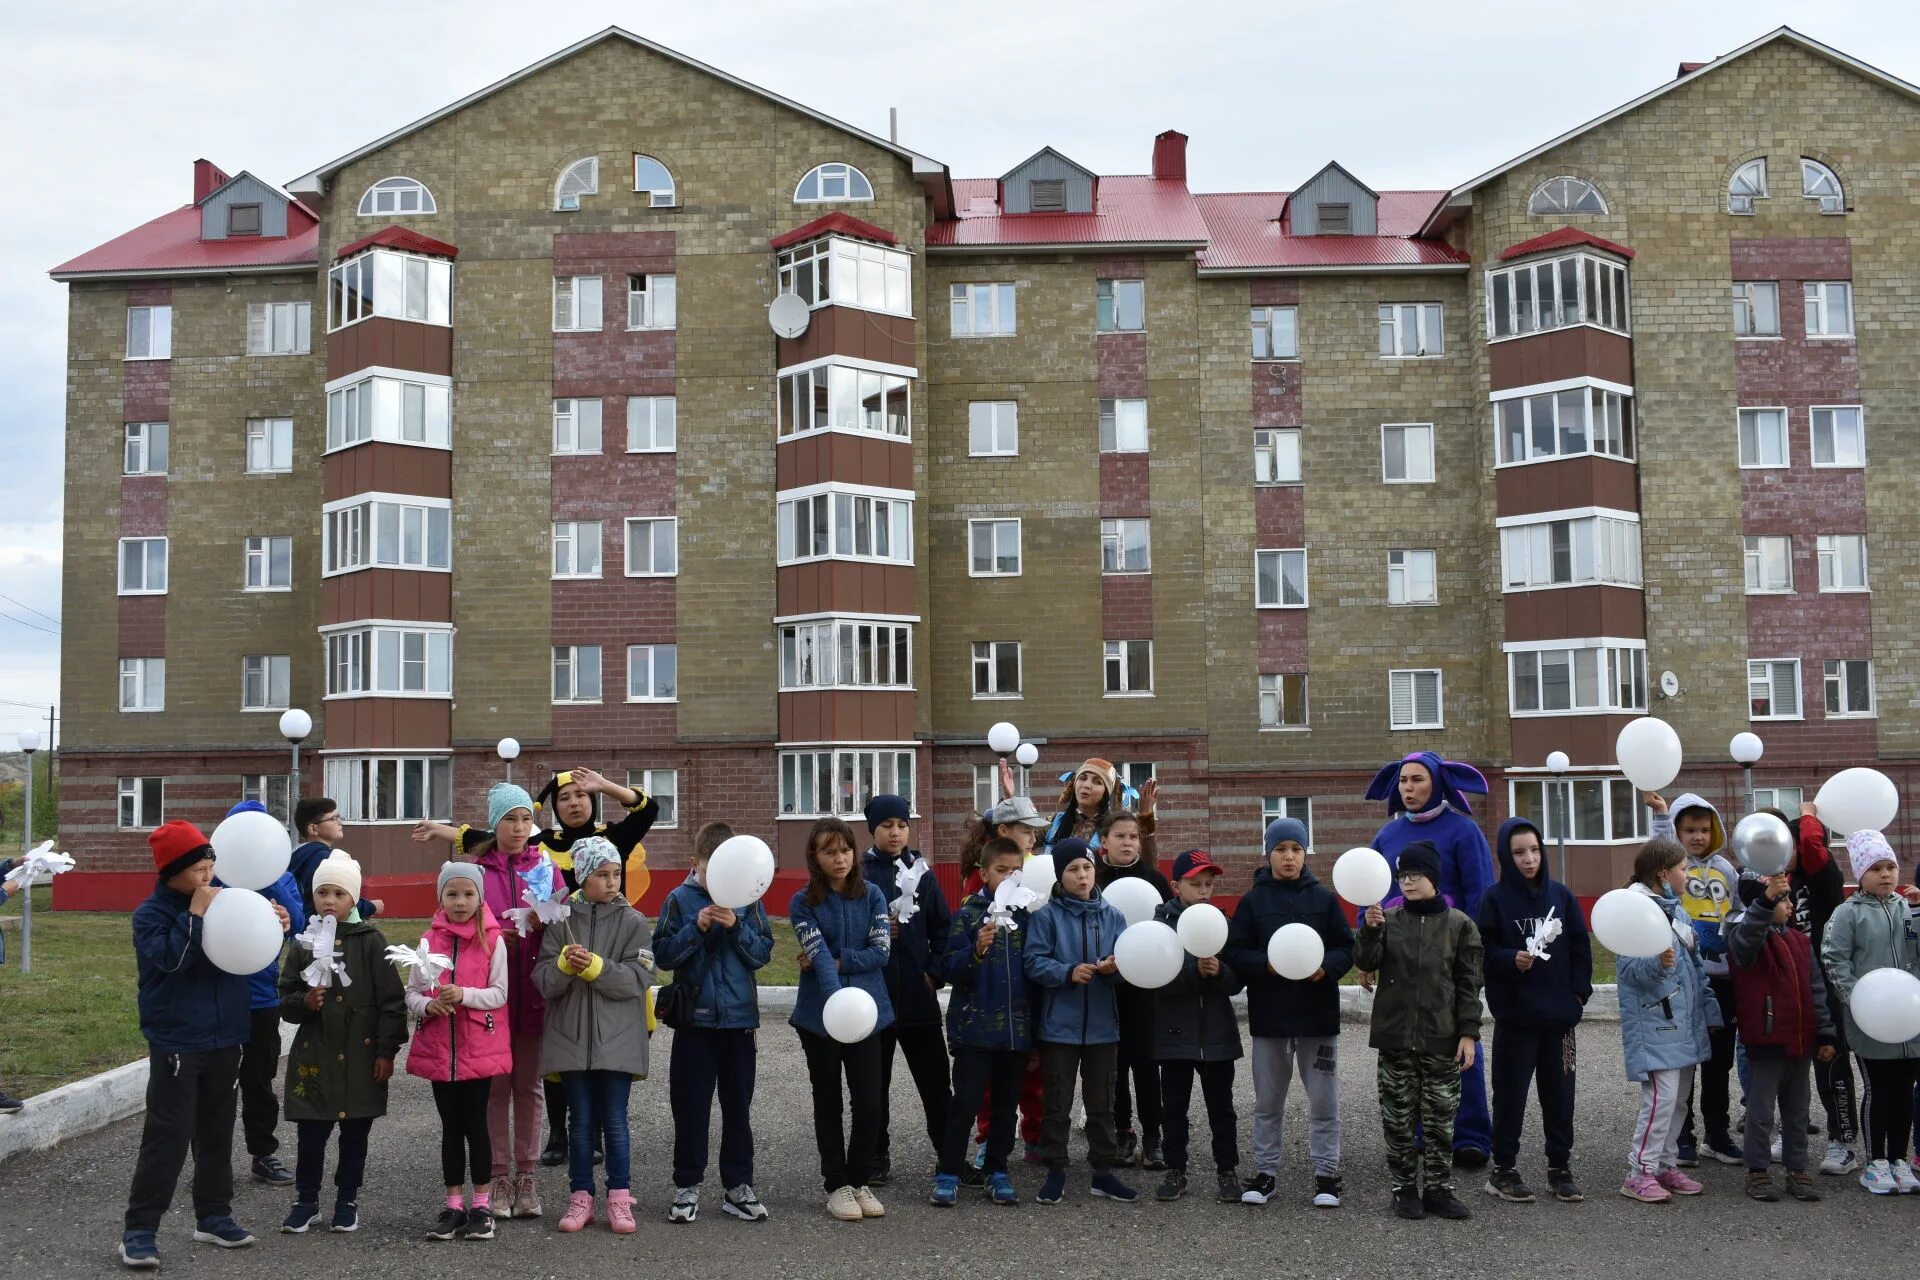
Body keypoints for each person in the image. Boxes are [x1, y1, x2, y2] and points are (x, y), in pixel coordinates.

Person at [420, 765, 659, 1166]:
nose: (574, 802)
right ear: (552, 809)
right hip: (534, 976)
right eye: (564, 797)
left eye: (581, 795)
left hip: (585, 964)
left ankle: (590, 1137)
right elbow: (490, 839)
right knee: (543, 1073)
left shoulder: (607, 838)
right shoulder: (543, 846)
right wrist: (444, 831)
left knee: (580, 1062)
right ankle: (553, 1140)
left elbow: (646, 812)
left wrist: (604, 784)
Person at [118, 821, 288, 1269]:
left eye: (210, 866)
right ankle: (139, 1230)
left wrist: (277, 925)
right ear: (173, 871)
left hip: (225, 1034)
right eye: (197, 869)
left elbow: (248, 948)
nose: (208, 877)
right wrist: (195, 914)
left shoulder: (227, 902)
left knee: (216, 1130)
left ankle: (213, 1215)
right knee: (168, 1135)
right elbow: (172, 960)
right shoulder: (151, 915)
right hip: (177, 1037)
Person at [1364, 753, 1495, 1165]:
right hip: (1401, 961)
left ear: (1436, 783)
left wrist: (1472, 955)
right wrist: (1367, 951)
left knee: (1459, 1046)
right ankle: (1418, 1134)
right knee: (1408, 1050)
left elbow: (1481, 895)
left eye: (1417, 780)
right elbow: (1368, 894)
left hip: (1448, 958)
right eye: (1402, 781)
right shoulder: (1387, 836)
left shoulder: (1464, 831)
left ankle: (1470, 1136)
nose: (1407, 788)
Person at [1224, 816, 1353, 1209]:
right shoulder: (1253, 901)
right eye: (1281, 849)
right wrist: (1265, 964)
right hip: (1271, 1019)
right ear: (1269, 854)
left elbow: (1346, 948)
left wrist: (1325, 968)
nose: (1289, 856)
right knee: (1267, 1103)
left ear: (1304, 853)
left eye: (1296, 849)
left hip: (1318, 1018)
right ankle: (1266, 1174)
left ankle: (1327, 1175)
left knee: (1324, 1102)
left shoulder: (1324, 899)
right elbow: (1235, 951)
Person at [276, 851, 408, 1235]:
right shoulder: (304, 943)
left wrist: (386, 1050)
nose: (329, 900)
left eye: (338, 893)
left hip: (359, 1056)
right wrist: (305, 1002)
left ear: (353, 898)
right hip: (315, 1056)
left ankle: (347, 1198)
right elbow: (285, 997)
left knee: (354, 1135)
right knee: (311, 1133)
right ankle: (306, 1199)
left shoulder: (370, 941)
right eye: (322, 893)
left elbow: (391, 1002)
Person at [652, 820, 775, 1224]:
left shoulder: (749, 899)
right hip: (695, 1024)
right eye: (711, 869)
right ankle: (687, 1186)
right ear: (696, 863)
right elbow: (664, 956)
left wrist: (737, 927)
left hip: (739, 1022)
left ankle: (738, 1187)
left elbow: (763, 956)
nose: (720, 879)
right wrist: (697, 926)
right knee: (690, 1109)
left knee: (738, 1109)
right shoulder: (678, 898)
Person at [1355, 841, 1483, 1221]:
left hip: (1442, 1039)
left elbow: (1469, 983)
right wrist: (1370, 931)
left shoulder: (1460, 925)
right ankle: (1404, 1189)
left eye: (1415, 875)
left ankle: (1439, 1190)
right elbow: (1364, 962)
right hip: (1395, 1038)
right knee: (1397, 1118)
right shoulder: (1388, 921)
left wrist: (1468, 1033)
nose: (1407, 883)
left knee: (1441, 1118)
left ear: (1433, 877)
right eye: (1402, 876)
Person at [534, 837, 655, 1233]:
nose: (611, 881)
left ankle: (620, 1198)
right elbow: (544, 981)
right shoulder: (561, 920)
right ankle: (580, 1197)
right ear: (583, 877)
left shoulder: (634, 922)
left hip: (617, 1043)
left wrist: (595, 967)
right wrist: (566, 968)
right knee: (580, 1122)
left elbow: (638, 979)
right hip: (571, 1042)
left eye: (616, 873)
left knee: (615, 1122)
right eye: (602, 874)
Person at [1475, 816, 1592, 1205]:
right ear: (1506, 857)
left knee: (1560, 1095)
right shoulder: (1493, 900)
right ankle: (1504, 1169)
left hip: (1559, 1020)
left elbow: (1579, 947)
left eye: (1535, 850)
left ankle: (1560, 1166)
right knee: (1510, 1095)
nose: (1529, 859)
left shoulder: (1560, 895)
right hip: (1516, 1017)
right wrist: (1511, 959)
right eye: (1519, 852)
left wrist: (1578, 996)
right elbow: (1483, 952)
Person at [789, 816, 894, 1221]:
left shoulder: (872, 896)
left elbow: (880, 953)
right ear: (815, 857)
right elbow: (816, 957)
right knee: (827, 1100)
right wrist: (835, 1003)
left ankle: (860, 1179)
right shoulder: (803, 902)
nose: (840, 858)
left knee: (870, 1102)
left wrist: (840, 959)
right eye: (829, 851)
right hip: (821, 1018)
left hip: (869, 1015)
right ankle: (837, 1186)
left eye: (846, 850)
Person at [1024, 837, 1136, 1204]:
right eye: (1073, 869)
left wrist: (1114, 968)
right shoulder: (1046, 917)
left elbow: (1131, 963)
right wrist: (1068, 972)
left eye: (1087, 867)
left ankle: (1102, 1172)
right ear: (1060, 875)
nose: (1082, 875)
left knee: (1102, 1100)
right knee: (1056, 1101)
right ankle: (1055, 1169)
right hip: (1060, 1028)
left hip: (1104, 1026)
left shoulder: (1113, 916)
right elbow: (1034, 962)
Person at [405, 860, 512, 1242]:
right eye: (452, 894)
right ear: (440, 898)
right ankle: (453, 1206)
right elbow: (413, 992)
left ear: (480, 897)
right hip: (439, 1050)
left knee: (475, 1127)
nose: (460, 901)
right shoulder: (427, 941)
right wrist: (427, 1005)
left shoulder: (492, 940)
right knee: (450, 1128)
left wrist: (464, 995)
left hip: (477, 1049)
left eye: (468, 894)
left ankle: (482, 1204)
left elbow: (499, 993)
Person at [1616, 837, 1721, 1204]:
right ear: (1663, 873)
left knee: (1678, 1101)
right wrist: (1656, 965)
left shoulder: (1677, 911)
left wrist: (1709, 1012)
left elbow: (1694, 968)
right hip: (1657, 1025)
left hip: (1684, 1024)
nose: (1687, 873)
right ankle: (1639, 1172)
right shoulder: (1636, 911)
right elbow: (1629, 972)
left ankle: (1664, 1162)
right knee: (1660, 1100)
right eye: (1681, 868)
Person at [931, 836, 1033, 1208]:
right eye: (1000, 871)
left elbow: (1033, 973)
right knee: (966, 1103)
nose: (1008, 877)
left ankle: (997, 1170)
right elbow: (948, 968)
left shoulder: (1026, 916)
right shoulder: (969, 915)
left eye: (1014, 871)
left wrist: (1031, 1031)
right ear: (984, 873)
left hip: (1014, 1032)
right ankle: (949, 1171)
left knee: (1007, 1106)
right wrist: (975, 949)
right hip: (974, 1031)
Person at [1644, 790, 1741, 1166]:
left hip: (1723, 978)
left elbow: (1739, 911)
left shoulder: (1727, 869)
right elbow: (1660, 850)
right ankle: (1682, 1136)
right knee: (1683, 1060)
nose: (1697, 836)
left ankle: (1717, 1134)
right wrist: (1663, 816)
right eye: (1689, 830)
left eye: (1704, 829)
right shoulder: (1672, 872)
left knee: (1719, 1063)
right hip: (1683, 978)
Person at [1821, 830, 1920, 1195]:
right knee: (1879, 1090)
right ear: (1860, 873)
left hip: (1911, 1024)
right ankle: (1875, 1160)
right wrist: (1857, 1001)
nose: (1885, 874)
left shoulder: (1907, 908)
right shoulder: (1847, 913)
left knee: (1905, 1091)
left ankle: (1898, 1158)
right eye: (1876, 868)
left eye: (1890, 866)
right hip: (1871, 1023)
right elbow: (1834, 958)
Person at [861, 793, 952, 1187]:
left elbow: (943, 929)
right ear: (873, 830)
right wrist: (877, 930)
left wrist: (933, 975)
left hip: (917, 996)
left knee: (935, 1082)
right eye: (886, 826)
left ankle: (948, 1156)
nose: (895, 832)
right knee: (872, 1085)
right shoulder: (859, 873)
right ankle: (875, 1157)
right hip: (873, 998)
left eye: (901, 825)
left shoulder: (923, 872)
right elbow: (846, 926)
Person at [215, 801, 306, 1191]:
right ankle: (211, 1159)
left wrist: (284, 915)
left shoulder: (279, 875)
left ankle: (262, 1153)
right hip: (216, 996)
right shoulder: (211, 875)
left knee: (259, 1080)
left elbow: (299, 921)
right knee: (214, 1084)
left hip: (260, 997)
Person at [1727, 874, 1834, 1202]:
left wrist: (1825, 1033)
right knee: (1761, 1112)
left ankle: (1797, 1168)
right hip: (1767, 1041)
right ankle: (1757, 1171)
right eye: (1783, 900)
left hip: (1801, 1041)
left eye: (1789, 900)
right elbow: (1746, 942)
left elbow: (1816, 989)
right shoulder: (1745, 937)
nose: (1791, 906)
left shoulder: (1800, 942)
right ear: (1765, 903)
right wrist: (1765, 901)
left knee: (1798, 1110)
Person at [957, 794, 1051, 1165]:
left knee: (1033, 1072)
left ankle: (1036, 1136)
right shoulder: (979, 881)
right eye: (1026, 831)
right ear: (1004, 830)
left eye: (1034, 832)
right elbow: (964, 939)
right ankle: (986, 1140)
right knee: (988, 1084)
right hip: (987, 996)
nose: (1033, 839)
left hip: (1028, 990)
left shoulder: (1037, 874)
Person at [1151, 850, 1243, 1204]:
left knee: (1222, 1108)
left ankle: (1227, 1170)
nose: (1204, 891)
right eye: (1195, 884)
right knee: (1173, 1108)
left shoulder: (1222, 924)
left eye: (1209, 884)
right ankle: (1176, 1169)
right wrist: (1193, 973)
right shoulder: (1161, 927)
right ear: (1176, 887)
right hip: (1175, 1033)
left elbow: (1236, 981)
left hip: (1217, 1034)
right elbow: (1156, 978)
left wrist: (1220, 973)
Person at [1781, 801, 1858, 1175]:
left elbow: (1812, 846)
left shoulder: (1823, 877)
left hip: (1829, 991)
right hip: (1794, 991)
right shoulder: (1782, 883)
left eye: (1789, 845)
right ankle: (1790, 1133)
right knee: (1794, 1068)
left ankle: (1843, 1140)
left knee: (1833, 1065)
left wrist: (1808, 814)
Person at [1097, 808, 1166, 1169]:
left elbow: (1171, 928)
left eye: (1134, 836)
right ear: (1104, 841)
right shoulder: (1095, 881)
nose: (1128, 842)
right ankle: (1123, 1133)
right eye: (1120, 836)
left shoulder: (1154, 880)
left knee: (1146, 1062)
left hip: (1147, 988)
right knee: (1115, 1065)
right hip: (1107, 986)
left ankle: (1154, 1136)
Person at [289, 798, 382, 921]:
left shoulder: (301, 854)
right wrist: (371, 906)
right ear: (313, 829)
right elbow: (336, 898)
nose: (339, 822)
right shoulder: (322, 858)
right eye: (333, 819)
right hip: (321, 928)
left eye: (338, 817)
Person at [1040, 757, 1157, 855]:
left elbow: (1145, 866)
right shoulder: (1055, 821)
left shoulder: (1114, 827)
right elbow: (1024, 839)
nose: (1086, 785)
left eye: (1097, 782)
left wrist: (1145, 820)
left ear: (1106, 793)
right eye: (1082, 778)